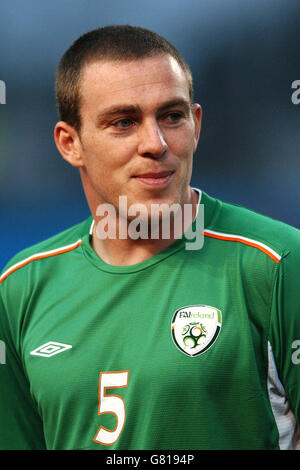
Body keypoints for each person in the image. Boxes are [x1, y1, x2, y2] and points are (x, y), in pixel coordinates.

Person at [0, 25, 299, 451]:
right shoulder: (20, 287)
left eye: (171, 117)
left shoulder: (278, 264)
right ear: (71, 143)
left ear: (195, 125)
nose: (155, 143)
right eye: (124, 122)